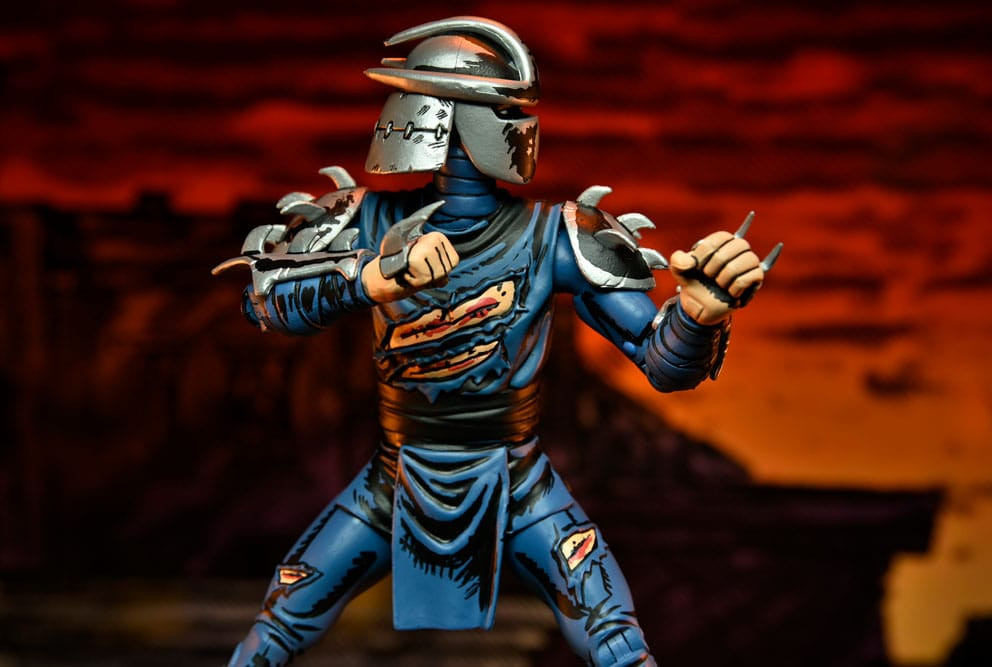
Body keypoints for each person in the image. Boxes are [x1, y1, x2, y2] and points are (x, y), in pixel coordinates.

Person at [215, 16, 780, 667]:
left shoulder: (556, 235)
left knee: (615, 638)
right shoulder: (366, 219)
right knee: (278, 626)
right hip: (395, 478)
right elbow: (264, 300)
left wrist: (700, 315)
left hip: (519, 480)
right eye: (503, 109)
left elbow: (662, 361)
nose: (518, 126)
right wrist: (368, 277)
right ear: (436, 115)